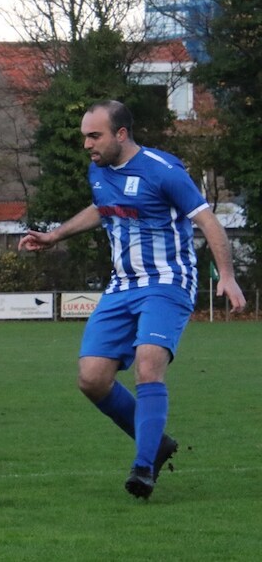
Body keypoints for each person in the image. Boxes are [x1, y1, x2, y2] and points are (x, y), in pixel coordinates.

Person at [18, 100, 246, 499]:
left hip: (167, 282)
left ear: (120, 134)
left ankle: (144, 467)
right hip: (122, 286)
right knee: (92, 379)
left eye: (95, 136)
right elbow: (102, 208)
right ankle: (155, 442)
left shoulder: (164, 171)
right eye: (85, 136)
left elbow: (207, 220)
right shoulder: (99, 170)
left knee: (147, 366)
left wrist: (226, 275)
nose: (88, 144)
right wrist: (55, 235)